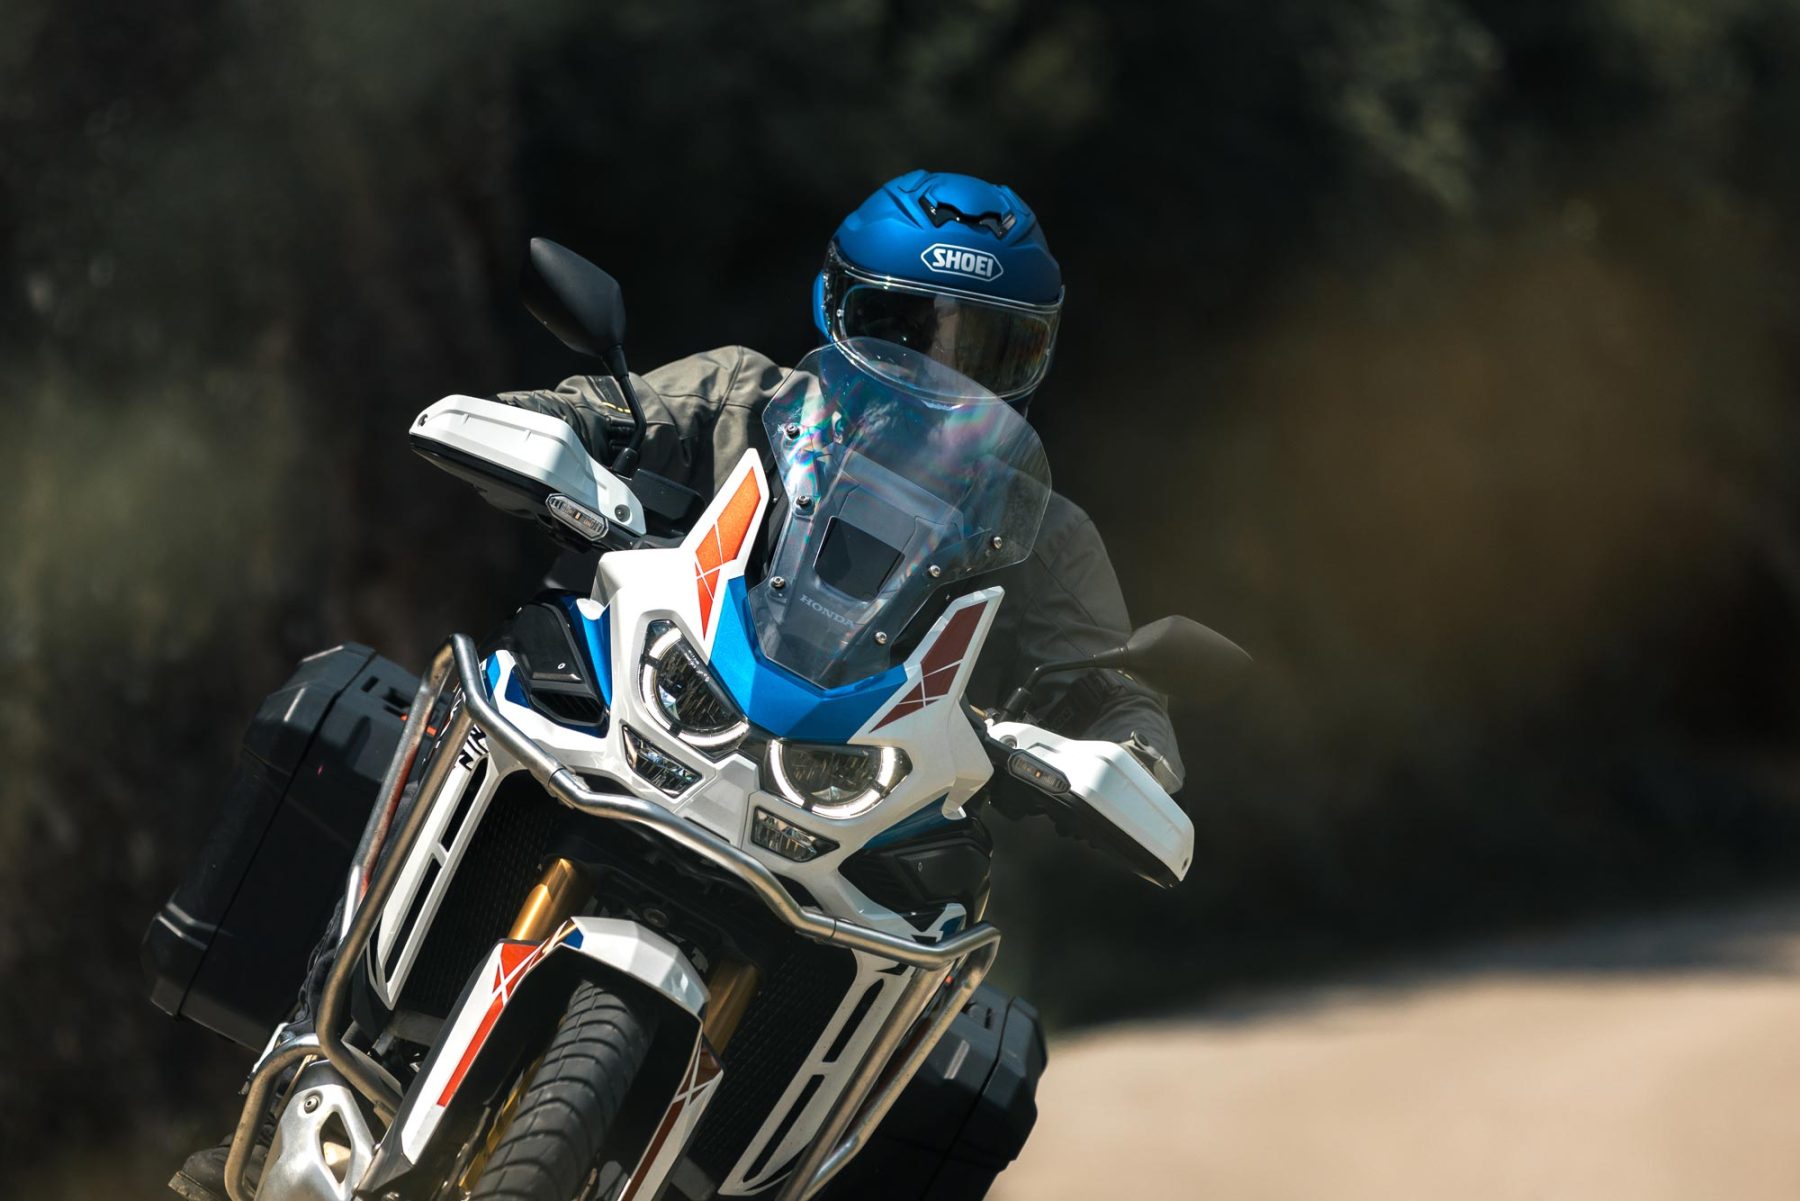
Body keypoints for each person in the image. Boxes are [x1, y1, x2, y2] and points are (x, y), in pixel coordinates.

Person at [499, 170, 1183, 790]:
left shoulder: (1046, 534)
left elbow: (1112, 692)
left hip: (861, 802)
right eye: (900, 330)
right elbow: (601, 413)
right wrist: (537, 425)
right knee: (485, 709)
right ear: (837, 307)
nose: (938, 376)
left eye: (984, 353)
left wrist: (1130, 758)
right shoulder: (741, 394)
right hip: (644, 705)